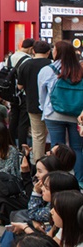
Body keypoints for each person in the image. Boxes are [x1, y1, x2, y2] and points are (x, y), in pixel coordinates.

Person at [38, 40, 83, 188]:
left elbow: (42, 95)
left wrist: (44, 108)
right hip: (76, 114)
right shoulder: (80, 69)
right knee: (77, 148)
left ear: (57, 52)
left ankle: (56, 180)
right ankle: (79, 181)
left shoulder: (48, 70)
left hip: (54, 113)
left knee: (57, 147)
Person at [17, 40, 52, 162]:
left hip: (32, 103)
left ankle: (38, 164)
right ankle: (53, 162)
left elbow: (20, 86)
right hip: (50, 106)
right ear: (48, 52)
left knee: (37, 136)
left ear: (33, 51)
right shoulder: (52, 65)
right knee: (53, 134)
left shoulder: (25, 65)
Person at [8, 38, 34, 148]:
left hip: (11, 93)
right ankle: (22, 148)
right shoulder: (28, 60)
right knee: (23, 122)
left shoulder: (11, 57)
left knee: (13, 119)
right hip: (23, 93)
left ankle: (10, 144)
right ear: (31, 48)